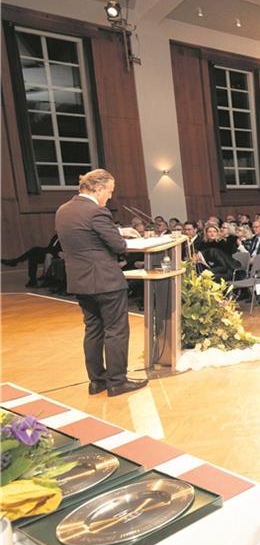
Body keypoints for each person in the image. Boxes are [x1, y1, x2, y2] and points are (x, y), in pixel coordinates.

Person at [53, 168, 147, 396]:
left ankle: (97, 381)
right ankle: (117, 381)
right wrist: (122, 235)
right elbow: (118, 246)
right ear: (98, 187)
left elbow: (87, 236)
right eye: (110, 191)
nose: (110, 196)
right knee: (116, 330)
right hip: (105, 281)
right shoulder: (96, 212)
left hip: (80, 281)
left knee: (93, 329)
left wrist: (118, 230)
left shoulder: (63, 210)